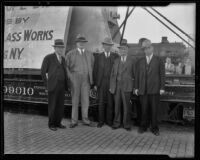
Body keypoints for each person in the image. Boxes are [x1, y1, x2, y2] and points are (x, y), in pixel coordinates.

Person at [135, 39, 165, 136]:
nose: (146, 50)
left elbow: (162, 75)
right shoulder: (140, 61)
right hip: (143, 90)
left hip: (154, 90)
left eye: (148, 48)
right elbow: (137, 76)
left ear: (152, 48)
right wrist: (136, 88)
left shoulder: (159, 60)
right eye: (144, 49)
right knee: (144, 110)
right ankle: (143, 126)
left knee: (154, 110)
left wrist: (162, 88)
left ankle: (155, 128)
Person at [65, 34, 95, 128]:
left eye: (83, 42)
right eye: (79, 42)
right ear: (76, 43)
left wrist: (90, 77)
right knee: (75, 100)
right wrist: (70, 77)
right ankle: (74, 121)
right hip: (75, 78)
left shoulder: (90, 54)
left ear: (85, 43)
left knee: (86, 100)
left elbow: (92, 66)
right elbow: (66, 67)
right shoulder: (70, 53)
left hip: (86, 79)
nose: (81, 44)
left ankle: (85, 120)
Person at [41, 39, 68, 131]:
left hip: (62, 85)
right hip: (53, 85)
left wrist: (67, 84)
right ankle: (51, 124)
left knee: (60, 105)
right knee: (52, 105)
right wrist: (47, 85)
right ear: (55, 48)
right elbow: (43, 72)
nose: (61, 50)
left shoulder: (63, 59)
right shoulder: (48, 58)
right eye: (59, 48)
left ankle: (58, 123)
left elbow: (65, 72)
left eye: (62, 48)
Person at [109, 39, 136, 131]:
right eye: (121, 49)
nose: (122, 51)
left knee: (126, 107)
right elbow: (112, 74)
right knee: (116, 106)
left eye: (124, 49)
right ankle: (116, 123)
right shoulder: (116, 60)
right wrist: (111, 86)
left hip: (127, 86)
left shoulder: (132, 60)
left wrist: (134, 87)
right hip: (117, 86)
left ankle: (127, 125)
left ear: (127, 50)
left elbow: (135, 75)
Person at [93, 37, 118, 128]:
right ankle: (101, 121)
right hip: (101, 82)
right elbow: (95, 71)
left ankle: (109, 121)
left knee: (110, 102)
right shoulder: (98, 57)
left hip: (111, 83)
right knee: (101, 103)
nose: (107, 47)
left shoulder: (115, 56)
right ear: (103, 46)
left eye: (109, 45)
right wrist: (95, 84)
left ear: (111, 46)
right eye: (106, 45)